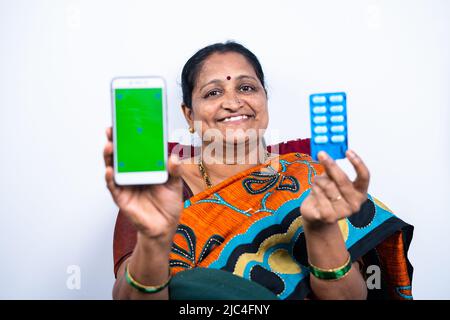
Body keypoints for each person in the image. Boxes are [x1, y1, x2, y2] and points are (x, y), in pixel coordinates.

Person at [104, 42, 413, 300]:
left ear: (265, 98)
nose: (233, 101)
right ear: (188, 114)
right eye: (212, 93)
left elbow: (349, 298)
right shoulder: (158, 192)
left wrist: (321, 230)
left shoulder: (309, 176)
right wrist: (155, 241)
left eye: (247, 87)